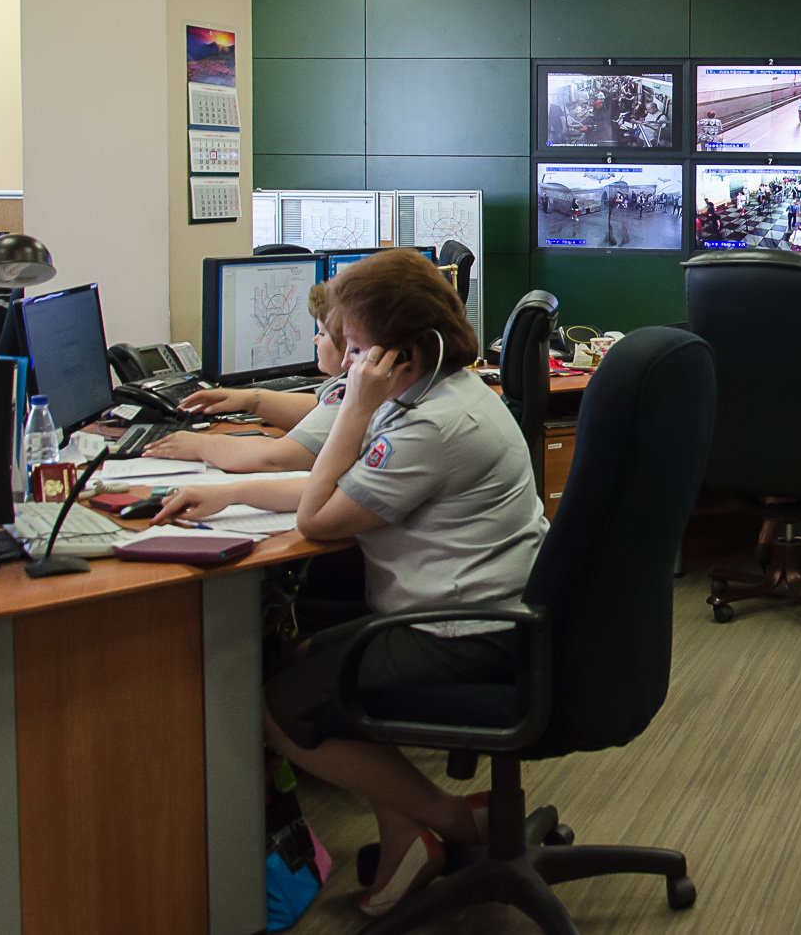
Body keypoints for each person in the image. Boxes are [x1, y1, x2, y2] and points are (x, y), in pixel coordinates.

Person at [154, 249, 543, 916]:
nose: (350, 362)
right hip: (478, 611)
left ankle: (453, 821)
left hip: (467, 634)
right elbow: (339, 486)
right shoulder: (433, 394)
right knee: (312, 659)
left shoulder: (428, 426)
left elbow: (318, 513)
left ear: (405, 354)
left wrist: (356, 407)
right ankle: (407, 839)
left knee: (285, 709)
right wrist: (225, 495)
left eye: (358, 349)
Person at [145, 284, 350, 471]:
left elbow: (277, 458)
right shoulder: (350, 383)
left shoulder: (352, 392)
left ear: (352, 341)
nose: (314, 339)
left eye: (322, 333)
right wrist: (250, 399)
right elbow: (318, 409)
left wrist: (201, 446)